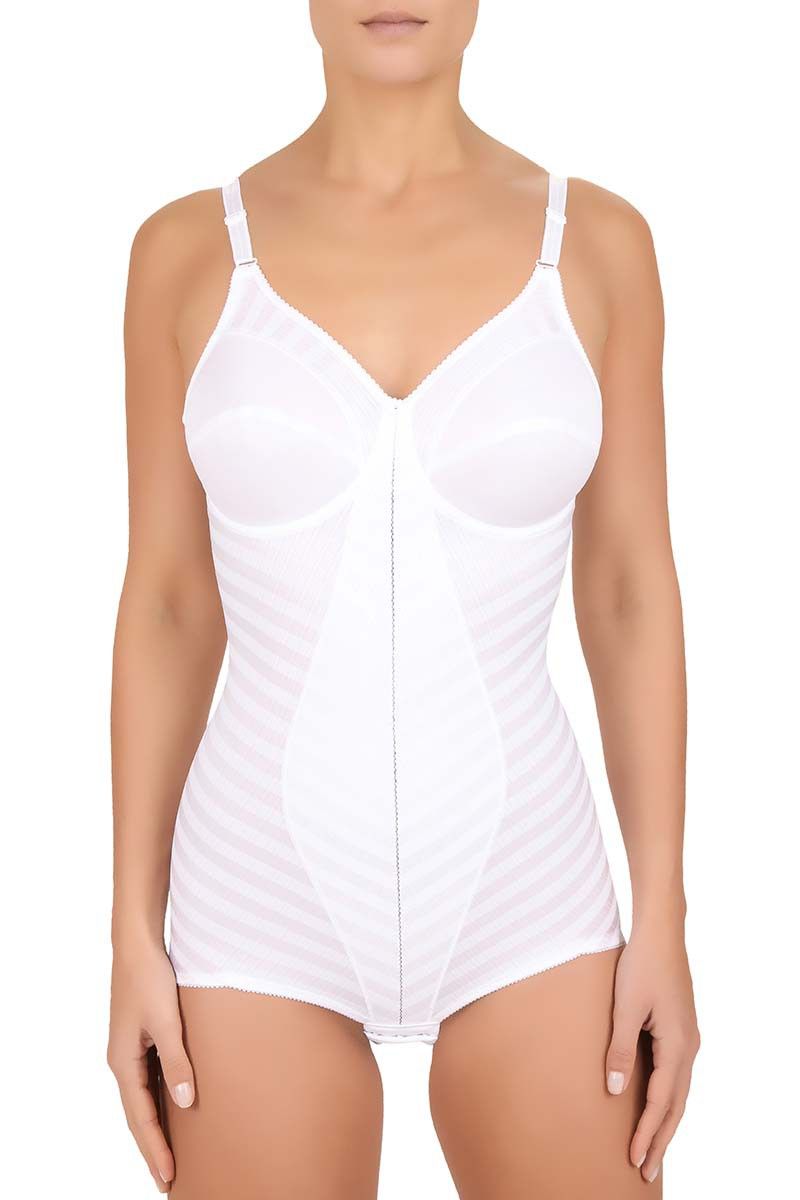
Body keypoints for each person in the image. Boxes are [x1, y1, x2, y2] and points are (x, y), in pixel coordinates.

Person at [107, 2, 700, 1196]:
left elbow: (628, 590)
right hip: (253, 895)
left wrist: (663, 917)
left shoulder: (597, 245)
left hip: (530, 891)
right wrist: (129, 925)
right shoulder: (184, 251)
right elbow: (169, 601)